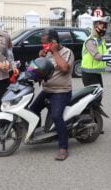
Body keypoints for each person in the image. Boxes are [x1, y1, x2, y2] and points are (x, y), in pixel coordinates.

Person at [30, 29, 74, 161]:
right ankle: (37, 133)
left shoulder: (67, 52)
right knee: (33, 110)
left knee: (56, 116)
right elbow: (38, 69)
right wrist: (41, 57)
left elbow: (65, 68)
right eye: (43, 44)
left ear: (54, 42)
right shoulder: (46, 53)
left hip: (61, 91)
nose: (44, 46)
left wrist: (54, 52)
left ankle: (63, 148)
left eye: (46, 44)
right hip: (47, 90)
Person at [81, 16, 111, 87]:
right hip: (89, 73)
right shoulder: (90, 40)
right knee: (94, 97)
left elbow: (104, 56)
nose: (104, 29)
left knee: (99, 95)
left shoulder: (101, 40)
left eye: (105, 27)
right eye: (102, 27)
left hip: (97, 73)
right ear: (95, 26)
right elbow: (97, 56)